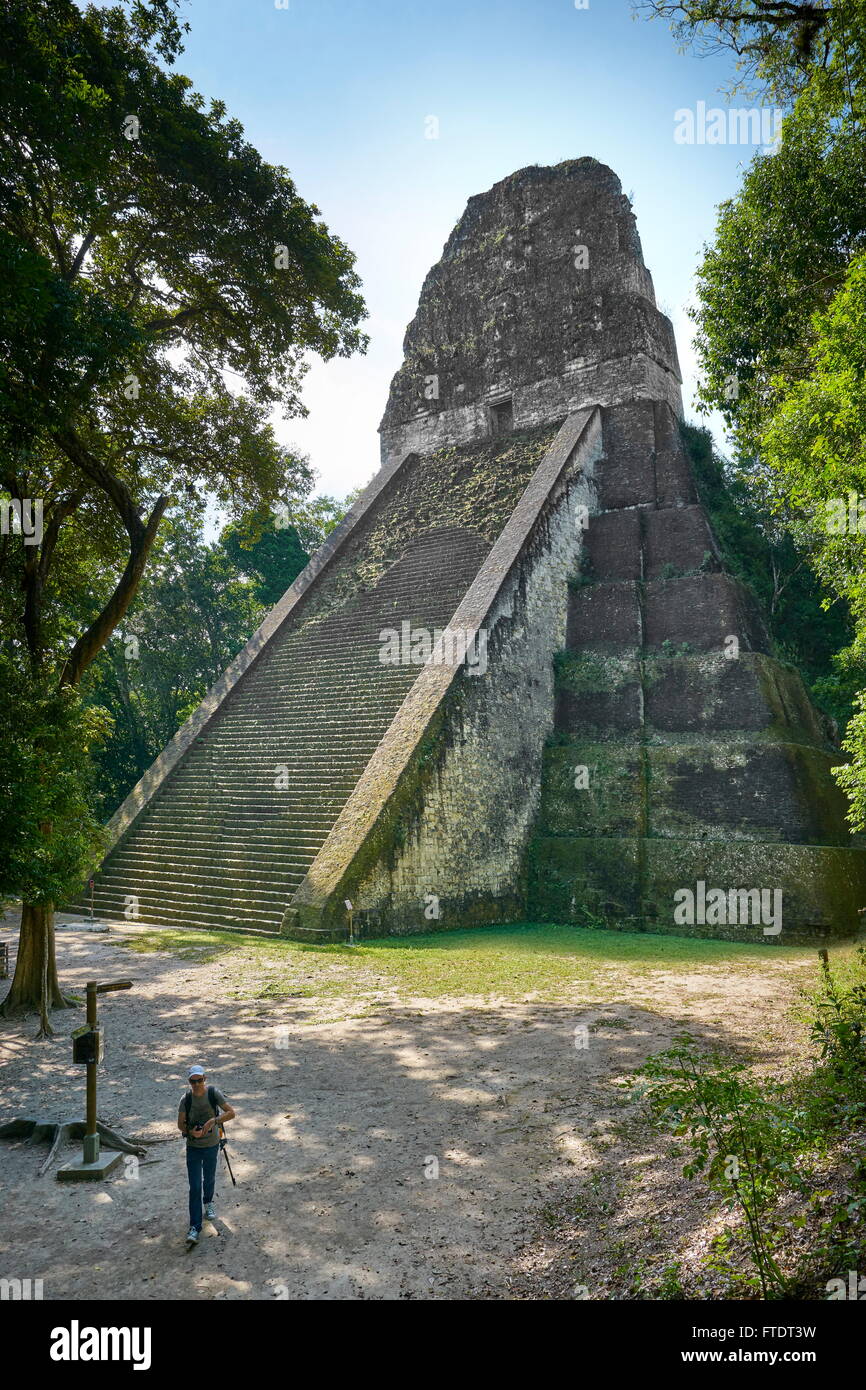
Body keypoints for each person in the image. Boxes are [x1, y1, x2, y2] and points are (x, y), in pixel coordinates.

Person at [178, 1064, 236, 1246]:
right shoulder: (185, 1099)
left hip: (212, 1145)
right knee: (194, 1186)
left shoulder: (213, 1094)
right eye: (193, 1081)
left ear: (205, 1079)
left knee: (208, 1178)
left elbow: (231, 1113)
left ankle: (208, 1202)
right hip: (193, 1147)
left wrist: (213, 1121)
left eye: (199, 1080)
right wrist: (190, 1131)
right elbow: (180, 1125)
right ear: (189, 1082)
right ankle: (195, 1226)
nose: (196, 1084)